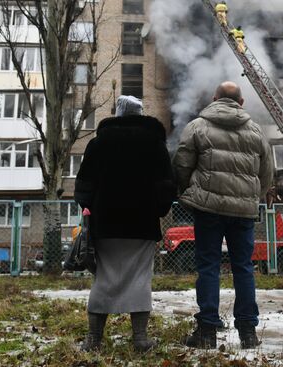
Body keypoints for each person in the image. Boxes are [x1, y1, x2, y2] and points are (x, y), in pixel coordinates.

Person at [173, 82, 274, 349]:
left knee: (208, 266)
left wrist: (190, 192)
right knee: (243, 268)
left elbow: (182, 164)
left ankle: (206, 332)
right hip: (243, 213)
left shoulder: (197, 126)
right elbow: (266, 174)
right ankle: (248, 333)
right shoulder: (255, 130)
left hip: (208, 209)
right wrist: (251, 197)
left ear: (214, 98)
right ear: (241, 103)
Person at [75, 95, 176, 352]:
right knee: (140, 279)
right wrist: (158, 209)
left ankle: (93, 340)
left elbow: (85, 183)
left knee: (104, 278)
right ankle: (140, 339)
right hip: (142, 223)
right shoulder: (155, 144)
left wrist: (88, 208)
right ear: (140, 114)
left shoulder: (98, 144)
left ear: (118, 114)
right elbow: (166, 185)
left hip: (105, 223)